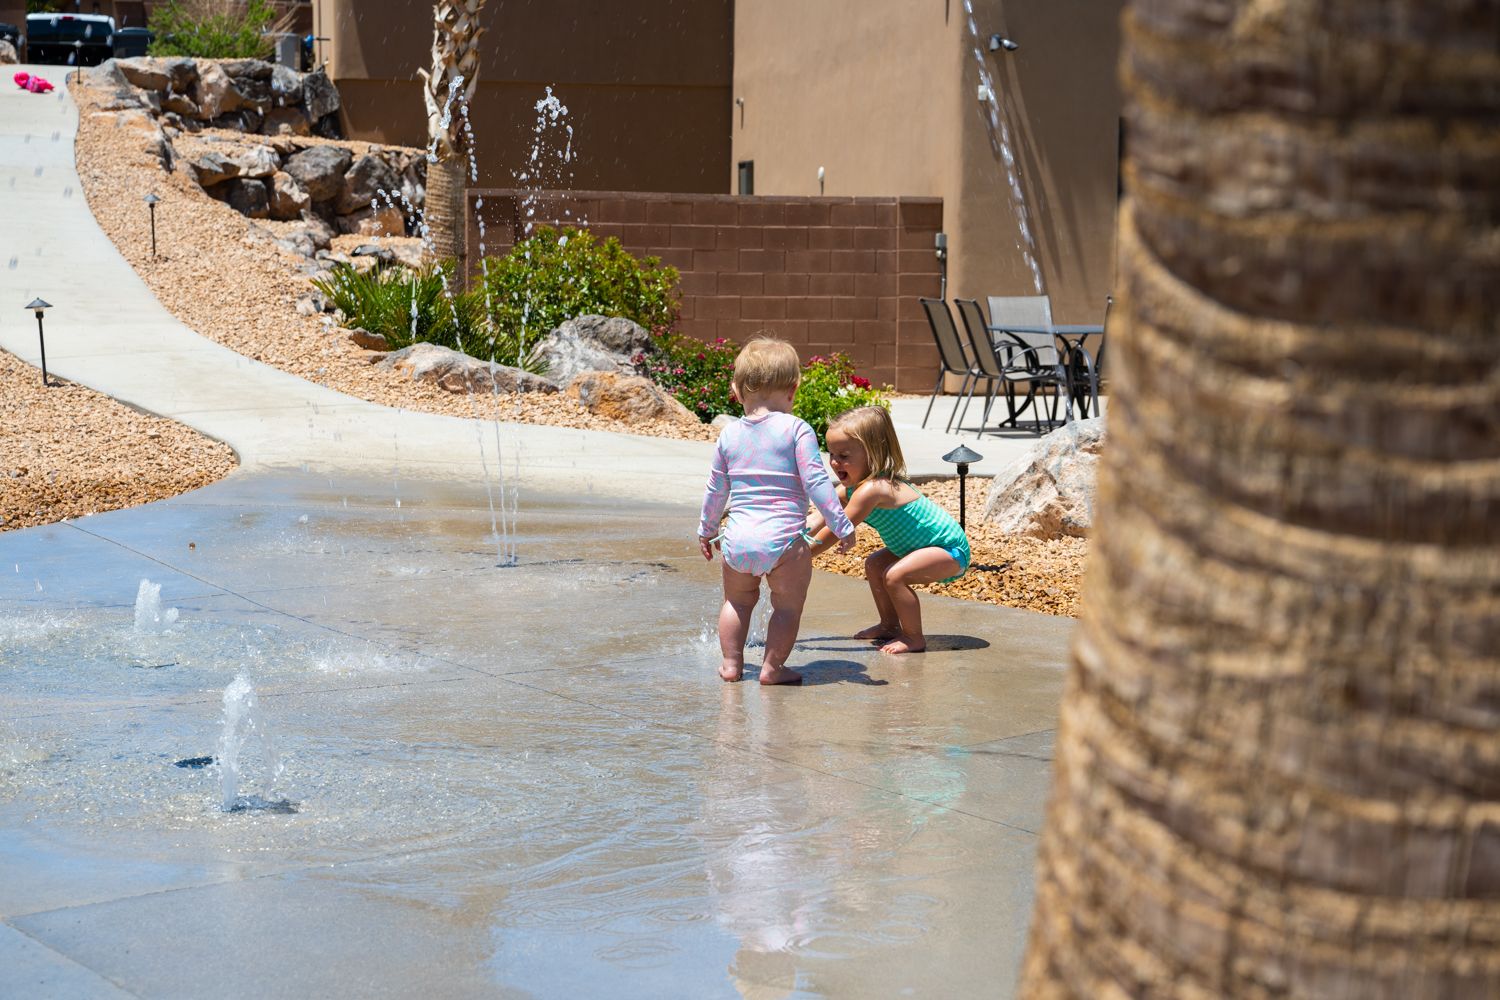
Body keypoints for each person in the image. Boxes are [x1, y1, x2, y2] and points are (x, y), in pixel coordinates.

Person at [699, 338, 856, 685]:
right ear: (793, 389)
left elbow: (716, 489)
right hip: (785, 541)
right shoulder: (797, 429)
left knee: (737, 603)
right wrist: (841, 526)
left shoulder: (729, 435)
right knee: (787, 607)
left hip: (737, 539)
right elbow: (818, 484)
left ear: (736, 391)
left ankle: (730, 664)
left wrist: (707, 529)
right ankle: (772, 669)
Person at [808, 405, 970, 654]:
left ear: (872, 454)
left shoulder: (874, 489)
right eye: (831, 454)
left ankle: (913, 637)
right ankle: (889, 625)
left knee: (894, 576)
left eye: (844, 455)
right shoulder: (852, 487)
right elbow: (819, 518)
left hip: (948, 551)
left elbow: (835, 530)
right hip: (915, 548)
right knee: (874, 565)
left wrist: (801, 556)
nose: (833, 462)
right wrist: (786, 538)